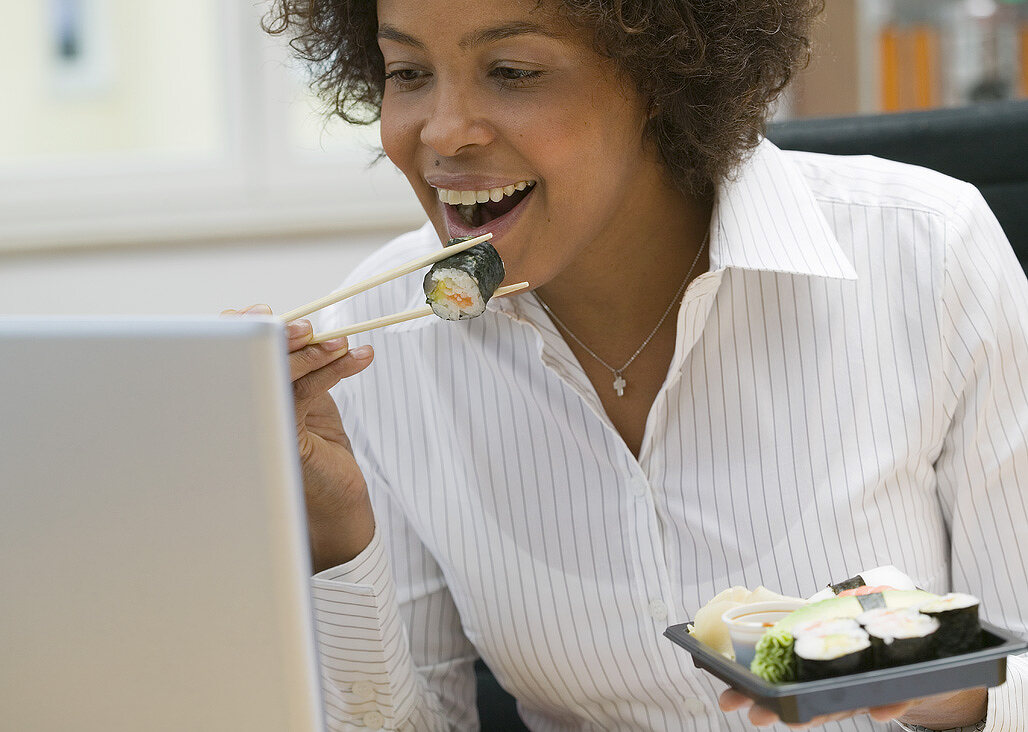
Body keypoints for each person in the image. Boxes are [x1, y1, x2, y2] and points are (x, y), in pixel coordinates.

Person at [238, 0, 1028, 729]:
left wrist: (957, 687)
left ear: (662, 72)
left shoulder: (932, 253)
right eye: (407, 74)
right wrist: (335, 534)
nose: (442, 132)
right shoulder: (372, 345)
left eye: (513, 72)